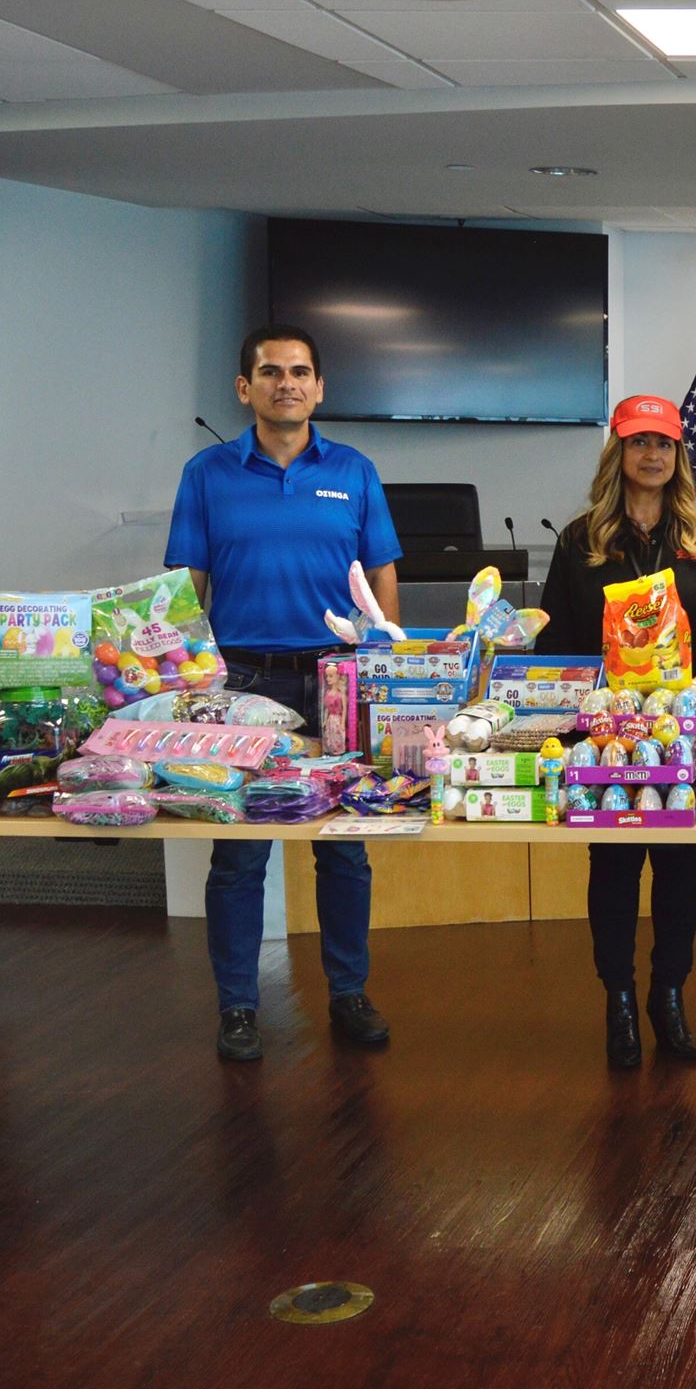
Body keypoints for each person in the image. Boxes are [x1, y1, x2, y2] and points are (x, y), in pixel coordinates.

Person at [167, 324, 401, 1063]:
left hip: (339, 680)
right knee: (239, 854)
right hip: (240, 681)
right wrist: (173, 679)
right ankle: (238, 1006)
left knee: (346, 847)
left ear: (320, 387)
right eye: (271, 371)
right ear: (246, 388)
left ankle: (348, 993)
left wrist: (387, 659)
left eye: (300, 371)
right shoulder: (206, 473)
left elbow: (381, 575)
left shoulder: (355, 469)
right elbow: (184, 590)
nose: (287, 383)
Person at [535, 394, 696, 1068]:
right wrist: (583, 723)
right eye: (638, 441)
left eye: (664, 442)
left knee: (683, 867)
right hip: (608, 738)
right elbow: (558, 647)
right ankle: (619, 1000)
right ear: (618, 453)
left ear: (679, 455)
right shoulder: (581, 541)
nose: (652, 454)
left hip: (684, 732)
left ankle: (669, 992)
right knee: (615, 864)